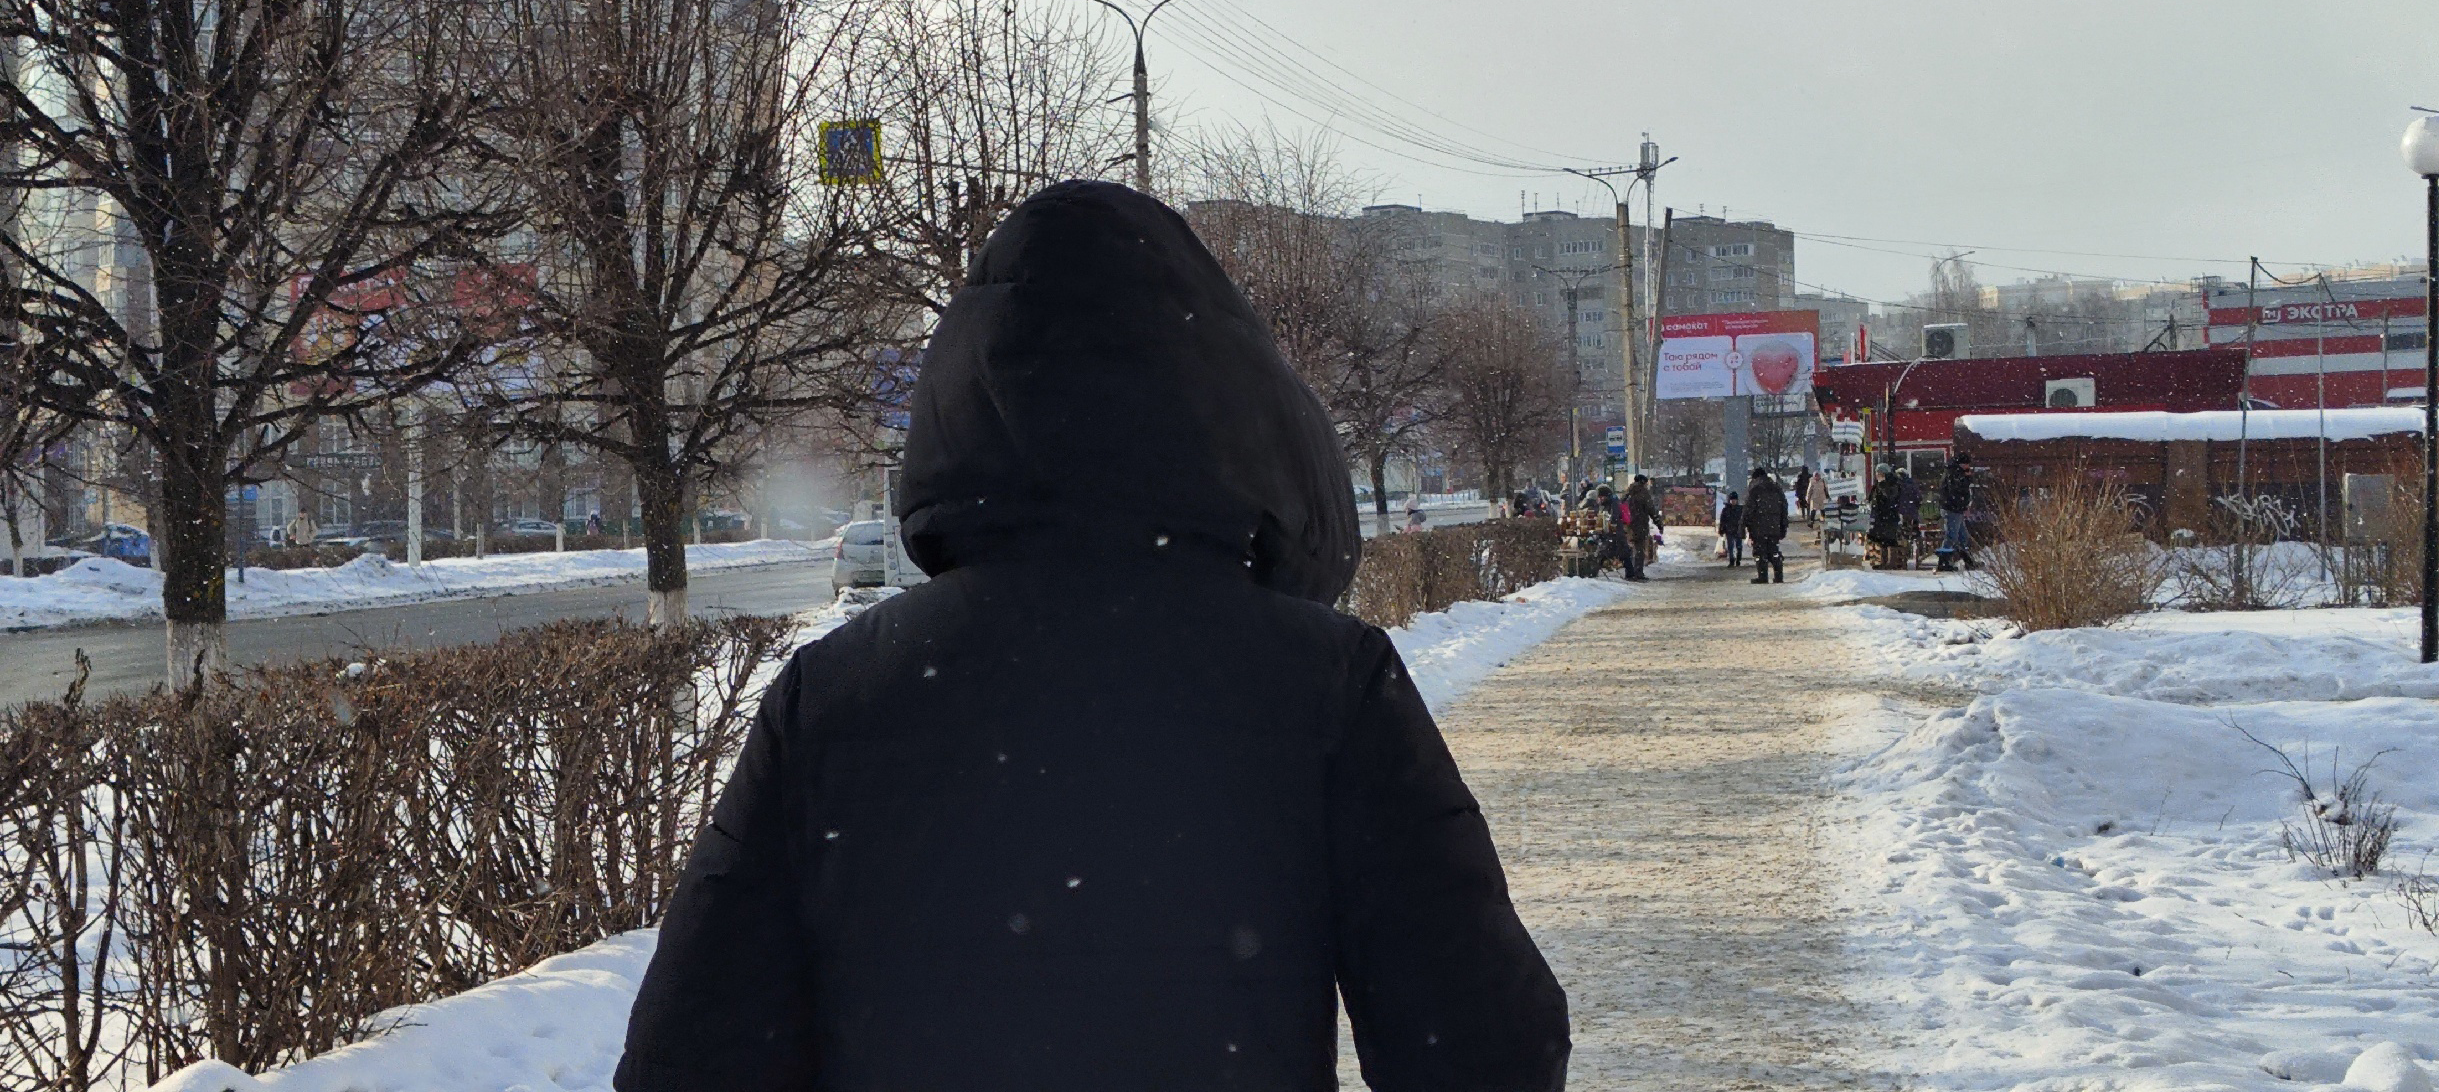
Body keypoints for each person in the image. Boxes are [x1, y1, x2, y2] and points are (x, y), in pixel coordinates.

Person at [616, 182, 1567, 1092]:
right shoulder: (1323, 688)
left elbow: (691, 1058)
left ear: (960, 403)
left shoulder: (833, 700)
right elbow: (1486, 1048)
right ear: (1228, 399)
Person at [1744, 465, 1791, 584]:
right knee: (1774, 551)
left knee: (1760, 553)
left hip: (1758, 527)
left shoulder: (1755, 490)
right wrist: (1783, 525)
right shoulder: (1776, 488)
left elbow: (1748, 510)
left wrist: (1743, 525)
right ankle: (1778, 576)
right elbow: (1784, 508)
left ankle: (1763, 576)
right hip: (1774, 526)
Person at [1936, 452, 1978, 572]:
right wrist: (1968, 477)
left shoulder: (1953, 472)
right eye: (1967, 464)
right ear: (1962, 464)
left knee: (1962, 537)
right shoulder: (1954, 474)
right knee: (1951, 537)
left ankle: (1968, 561)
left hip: (1955, 508)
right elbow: (1958, 490)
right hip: (1952, 509)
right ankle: (1943, 562)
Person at [1623, 474, 1663, 582]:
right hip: (1640, 524)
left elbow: (1621, 505)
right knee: (1639, 549)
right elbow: (1651, 510)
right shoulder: (1643, 493)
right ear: (1643, 482)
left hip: (1628, 524)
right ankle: (1638, 573)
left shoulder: (1628, 492)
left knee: (1630, 548)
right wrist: (1658, 523)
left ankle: (1629, 572)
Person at [1868, 467, 1905, 567]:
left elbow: (1889, 497)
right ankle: (1882, 562)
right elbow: (1872, 497)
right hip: (1880, 516)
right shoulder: (1878, 484)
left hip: (1889, 515)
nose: (1876, 475)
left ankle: (1891, 563)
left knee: (1890, 539)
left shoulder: (1891, 483)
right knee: (1881, 539)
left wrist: (1882, 485)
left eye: (1878, 473)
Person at [1717, 489, 1746, 568]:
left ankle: (1738, 560)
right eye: (1732, 500)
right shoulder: (1726, 510)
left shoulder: (1740, 509)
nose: (1733, 501)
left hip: (1737, 529)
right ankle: (1732, 560)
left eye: (1734, 500)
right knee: (1730, 546)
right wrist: (1721, 530)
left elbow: (1744, 520)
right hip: (1730, 530)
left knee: (1738, 546)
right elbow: (1722, 521)